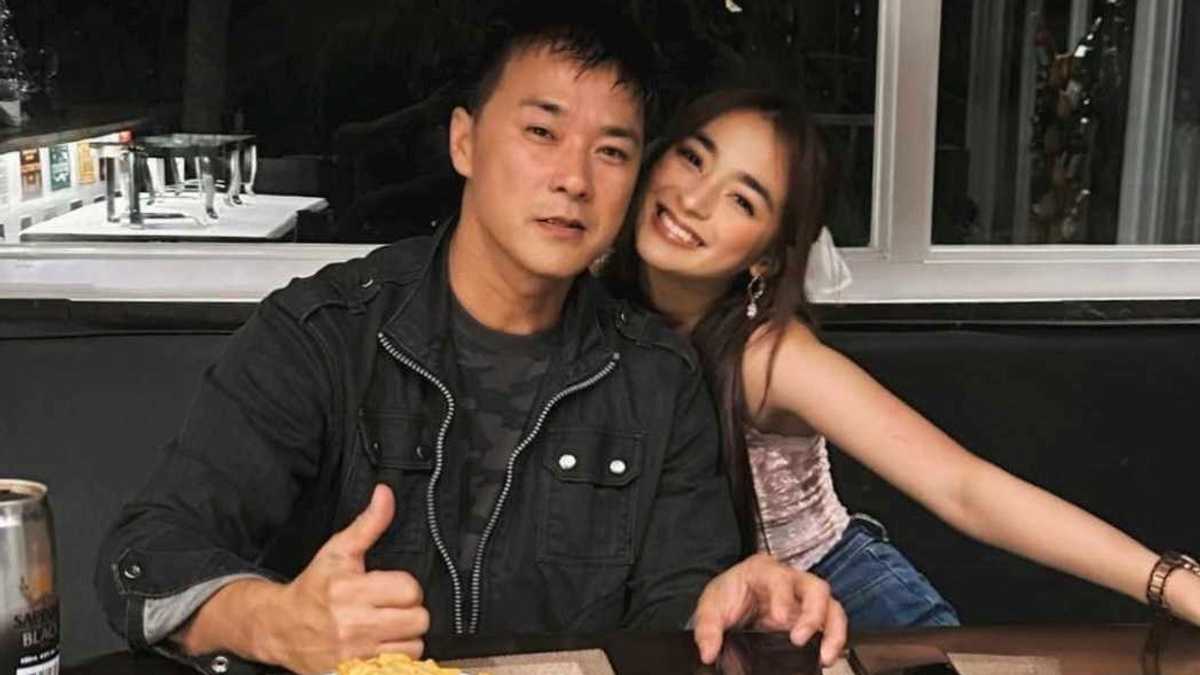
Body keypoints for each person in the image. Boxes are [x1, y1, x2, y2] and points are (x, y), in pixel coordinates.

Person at [93, 11, 848, 675]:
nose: (575, 179)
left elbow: (678, 607)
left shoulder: (659, 379)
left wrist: (722, 606)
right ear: (465, 141)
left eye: (612, 152)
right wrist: (275, 620)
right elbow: (145, 554)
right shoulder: (325, 333)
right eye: (542, 132)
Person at [601, 87, 1200, 631]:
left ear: (768, 257)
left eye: (742, 199)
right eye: (693, 158)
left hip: (847, 601)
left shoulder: (770, 359)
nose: (694, 198)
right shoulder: (589, 300)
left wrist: (1168, 582)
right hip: (703, 616)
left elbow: (963, 486)